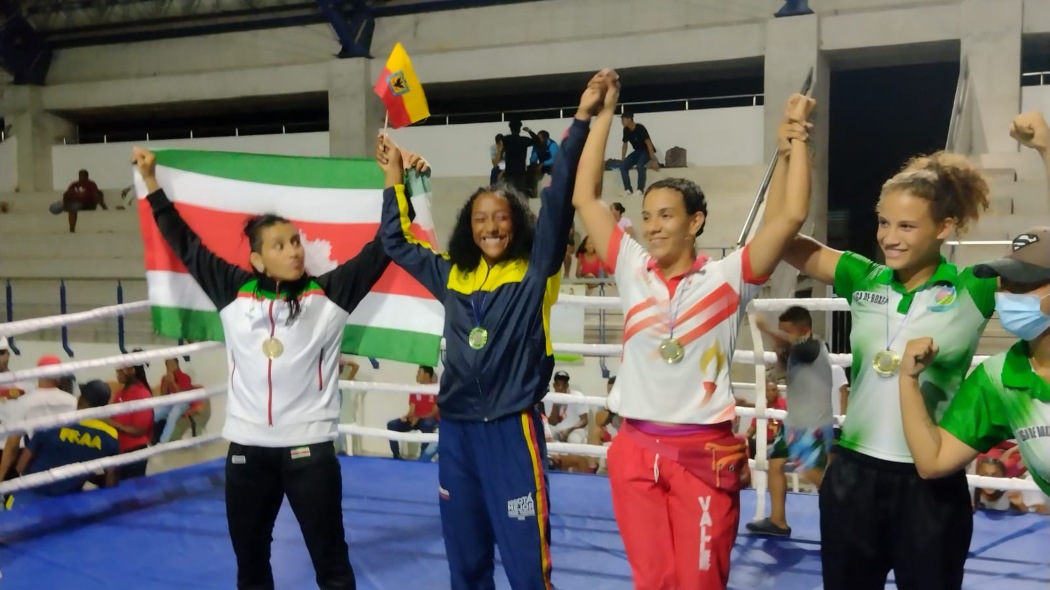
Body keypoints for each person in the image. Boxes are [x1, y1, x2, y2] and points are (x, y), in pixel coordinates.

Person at [572, 70, 815, 589]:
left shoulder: (730, 278)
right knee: (653, 582)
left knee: (699, 583)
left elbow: (791, 215)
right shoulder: (630, 266)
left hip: (703, 455)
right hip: (634, 449)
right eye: (647, 216)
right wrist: (604, 116)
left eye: (666, 215)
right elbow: (586, 200)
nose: (654, 226)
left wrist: (795, 142)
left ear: (696, 221)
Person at [377, 69, 610, 590]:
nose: (491, 227)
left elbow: (556, 201)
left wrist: (580, 120)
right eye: (481, 219)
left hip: (511, 432)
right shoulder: (452, 275)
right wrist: (394, 180)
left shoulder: (536, 272)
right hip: (456, 432)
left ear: (518, 224)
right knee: (466, 565)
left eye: (501, 217)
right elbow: (395, 243)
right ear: (469, 227)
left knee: (528, 570)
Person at [132, 145, 395, 590]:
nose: (294, 251)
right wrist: (152, 181)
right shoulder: (233, 292)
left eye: (296, 241)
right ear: (256, 259)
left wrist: (397, 180)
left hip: (309, 451)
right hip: (247, 451)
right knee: (251, 566)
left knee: (332, 567)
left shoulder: (329, 295)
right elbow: (185, 243)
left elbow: (386, 243)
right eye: (280, 245)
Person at [781, 150, 1007, 588]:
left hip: (929, 485)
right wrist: (793, 152)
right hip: (852, 478)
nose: (889, 237)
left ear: (944, 228)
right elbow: (782, 238)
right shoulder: (862, 276)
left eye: (906, 225)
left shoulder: (972, 287)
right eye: (884, 223)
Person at [899, 227, 1050, 519]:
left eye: (1023, 284)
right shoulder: (997, 378)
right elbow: (933, 462)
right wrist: (907, 379)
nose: (1005, 295)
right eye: (1004, 283)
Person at [747, 306, 834, 537]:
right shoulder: (797, 351)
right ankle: (778, 521)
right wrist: (779, 350)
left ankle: (850, 517)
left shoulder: (815, 345)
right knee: (775, 465)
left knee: (811, 474)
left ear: (803, 330)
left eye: (787, 331)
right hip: (794, 423)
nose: (782, 334)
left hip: (811, 424)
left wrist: (766, 329)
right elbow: (783, 368)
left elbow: (795, 345)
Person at [9, 380, 119, 508]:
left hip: (29, 497)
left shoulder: (53, 423)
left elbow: (21, 466)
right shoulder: (109, 436)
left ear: (82, 401)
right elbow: (111, 482)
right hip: (66, 504)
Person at [109, 355, 155, 481]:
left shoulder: (142, 395)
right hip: (119, 450)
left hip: (135, 452)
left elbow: (139, 430)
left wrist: (115, 425)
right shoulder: (120, 393)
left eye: (120, 371)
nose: (117, 374)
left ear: (132, 370)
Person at [386, 366, 439, 459]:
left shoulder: (436, 390)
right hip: (415, 419)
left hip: (429, 420)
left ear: (427, 375)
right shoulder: (415, 390)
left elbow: (434, 412)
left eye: (419, 372)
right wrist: (406, 417)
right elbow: (412, 410)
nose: (416, 375)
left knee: (428, 423)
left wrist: (419, 417)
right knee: (391, 425)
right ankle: (396, 456)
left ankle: (423, 458)